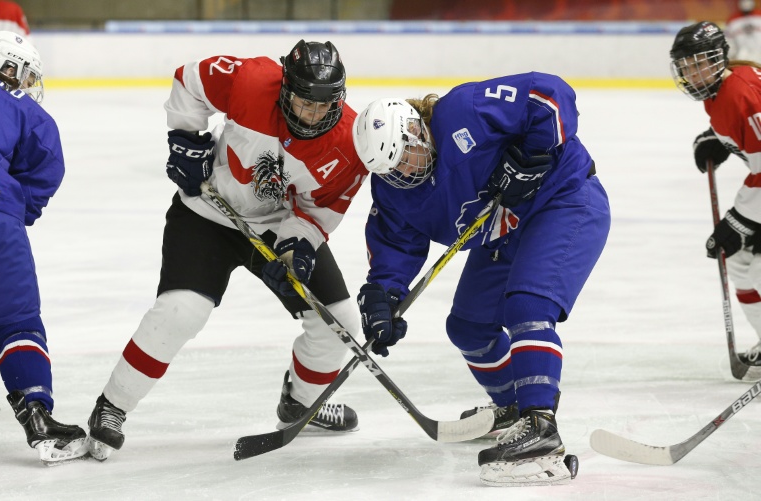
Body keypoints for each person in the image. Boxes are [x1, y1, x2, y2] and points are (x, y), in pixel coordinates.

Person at [85, 39, 369, 461]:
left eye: (322, 107)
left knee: (339, 321)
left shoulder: (348, 145)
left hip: (274, 227)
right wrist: (185, 137)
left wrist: (294, 251)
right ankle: (111, 408)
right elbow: (190, 78)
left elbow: (318, 211)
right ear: (285, 89)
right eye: (303, 103)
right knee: (181, 311)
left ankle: (301, 404)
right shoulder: (253, 80)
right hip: (207, 211)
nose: (311, 115)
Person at [352, 82, 610, 486]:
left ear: (417, 129)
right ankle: (511, 408)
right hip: (504, 230)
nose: (403, 172)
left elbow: (549, 95)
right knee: (469, 326)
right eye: (390, 169)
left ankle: (540, 430)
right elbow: (396, 243)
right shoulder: (393, 188)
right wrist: (384, 293)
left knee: (528, 307)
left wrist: (533, 152)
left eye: (404, 156)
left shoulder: (464, 111)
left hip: (564, 200)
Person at [0, 30, 88, 464]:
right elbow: (46, 170)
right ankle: (36, 416)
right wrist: (12, 212)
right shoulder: (31, 114)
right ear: (15, 69)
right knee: (17, 322)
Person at [670, 21, 761, 366]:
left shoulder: (742, 93)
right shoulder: (722, 92)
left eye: (699, 63)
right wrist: (717, 138)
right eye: (686, 66)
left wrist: (738, 221)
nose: (692, 73)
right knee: (739, 263)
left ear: (719, 58)